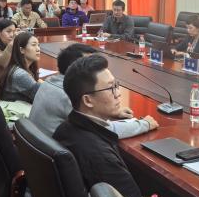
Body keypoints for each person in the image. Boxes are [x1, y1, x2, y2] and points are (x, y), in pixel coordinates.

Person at [53, 55, 173, 197]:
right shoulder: (100, 156)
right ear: (88, 100)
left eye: (116, 85)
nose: (118, 93)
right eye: (111, 88)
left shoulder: (66, 128)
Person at [29, 43, 158, 138]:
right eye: (89, 63)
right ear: (76, 68)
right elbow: (106, 131)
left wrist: (111, 112)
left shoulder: (49, 82)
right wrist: (144, 124)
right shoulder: (68, 95)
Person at [0, 32, 41, 103]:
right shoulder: (20, 74)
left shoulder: (18, 67)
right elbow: (43, 96)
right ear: (22, 50)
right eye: (33, 45)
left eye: (38, 45)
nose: (38, 49)